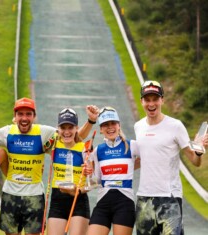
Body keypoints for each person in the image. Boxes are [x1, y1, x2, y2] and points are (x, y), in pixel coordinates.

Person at [0, 97, 99, 235]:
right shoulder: (7, 132)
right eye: (20, 114)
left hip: (34, 195)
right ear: (15, 117)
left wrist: (90, 122)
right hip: (11, 194)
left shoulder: (44, 132)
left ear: (34, 116)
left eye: (28, 114)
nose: (24, 118)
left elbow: (73, 136)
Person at [134, 80, 208, 235]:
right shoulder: (138, 126)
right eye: (147, 99)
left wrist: (200, 150)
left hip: (169, 198)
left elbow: (195, 160)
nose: (151, 104)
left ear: (162, 100)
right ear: (142, 101)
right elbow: (143, 159)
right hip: (144, 199)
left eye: (155, 99)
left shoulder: (175, 126)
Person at [87, 107, 139, 235]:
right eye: (105, 124)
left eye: (113, 123)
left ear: (119, 125)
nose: (110, 127)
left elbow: (149, 158)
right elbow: (95, 182)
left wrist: (132, 166)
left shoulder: (132, 145)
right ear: (100, 129)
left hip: (124, 202)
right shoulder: (98, 150)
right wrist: (89, 174)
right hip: (103, 203)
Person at [47, 108, 97, 235]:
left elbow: (93, 183)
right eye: (63, 128)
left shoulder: (84, 148)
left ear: (76, 128)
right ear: (58, 129)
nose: (67, 132)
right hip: (57, 200)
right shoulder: (53, 145)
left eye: (71, 127)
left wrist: (78, 189)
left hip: (78, 200)